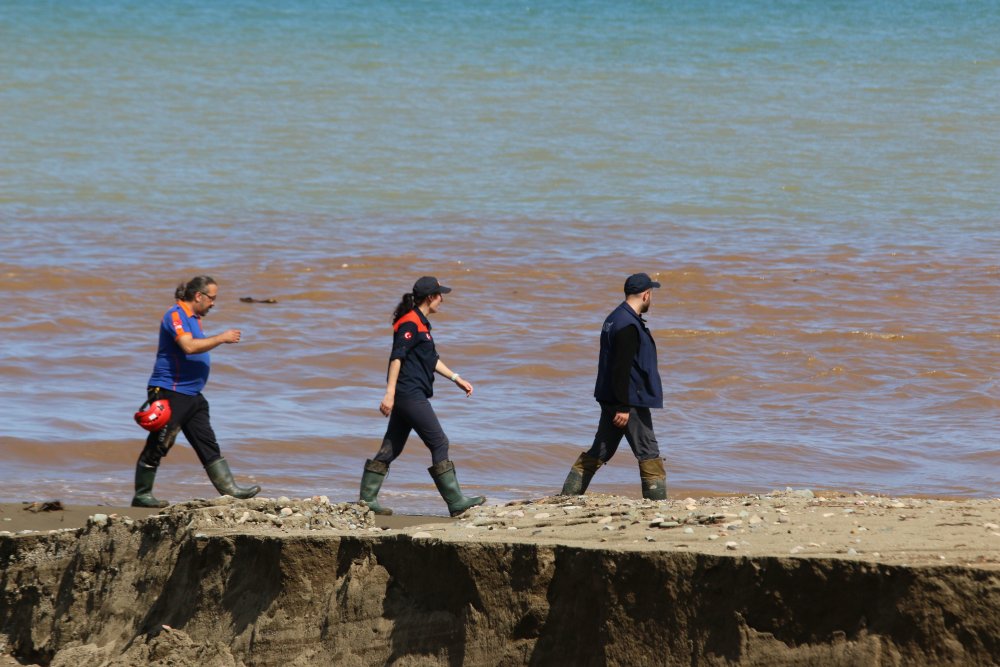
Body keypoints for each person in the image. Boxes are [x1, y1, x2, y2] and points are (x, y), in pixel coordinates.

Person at [358, 276, 486, 517]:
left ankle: (366, 500)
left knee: (391, 448)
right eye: (440, 296)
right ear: (430, 297)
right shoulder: (410, 323)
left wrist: (457, 378)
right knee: (439, 442)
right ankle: (456, 501)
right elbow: (397, 357)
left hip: (408, 394)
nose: (442, 300)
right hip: (409, 393)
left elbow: (431, 359)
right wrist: (390, 394)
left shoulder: (421, 323)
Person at [131, 276, 261, 508]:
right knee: (160, 443)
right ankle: (142, 495)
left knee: (207, 442)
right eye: (212, 298)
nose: (213, 303)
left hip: (192, 395)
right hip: (171, 391)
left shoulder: (193, 318)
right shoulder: (176, 315)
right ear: (198, 296)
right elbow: (188, 347)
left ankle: (230, 490)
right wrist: (221, 338)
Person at [560, 272, 667, 500]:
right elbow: (621, 368)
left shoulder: (615, 318)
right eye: (652, 294)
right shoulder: (628, 325)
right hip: (629, 400)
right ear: (646, 294)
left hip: (613, 397)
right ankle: (658, 506)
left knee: (601, 449)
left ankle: (567, 497)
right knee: (648, 451)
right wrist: (622, 406)